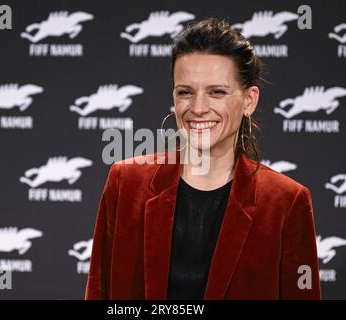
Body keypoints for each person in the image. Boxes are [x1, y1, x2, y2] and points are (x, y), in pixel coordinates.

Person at [85, 17, 321, 300]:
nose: (198, 108)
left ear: (249, 100)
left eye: (216, 92)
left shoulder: (286, 201)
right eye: (185, 92)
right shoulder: (126, 183)